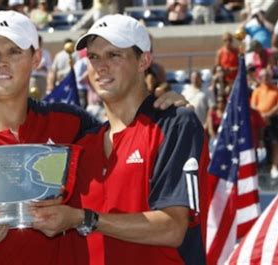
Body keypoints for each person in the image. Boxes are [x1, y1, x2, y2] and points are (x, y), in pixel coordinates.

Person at [0, 11, 190, 264]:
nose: (1, 62)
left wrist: (164, 106)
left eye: (14, 51)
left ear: (36, 58)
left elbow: (126, 130)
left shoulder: (71, 125)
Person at [31, 14, 207, 265]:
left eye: (114, 55)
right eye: (93, 57)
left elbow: (172, 227)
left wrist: (84, 218)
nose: (100, 66)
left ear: (143, 60)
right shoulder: (83, 142)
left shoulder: (175, 124)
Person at [250, 69, 278, 179]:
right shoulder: (257, 90)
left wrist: (268, 115)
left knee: (275, 143)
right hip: (258, 121)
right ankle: (258, 168)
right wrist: (261, 116)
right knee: (258, 143)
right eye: (263, 76)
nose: (265, 78)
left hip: (273, 119)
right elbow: (253, 106)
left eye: (267, 76)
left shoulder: (277, 90)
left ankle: (274, 167)